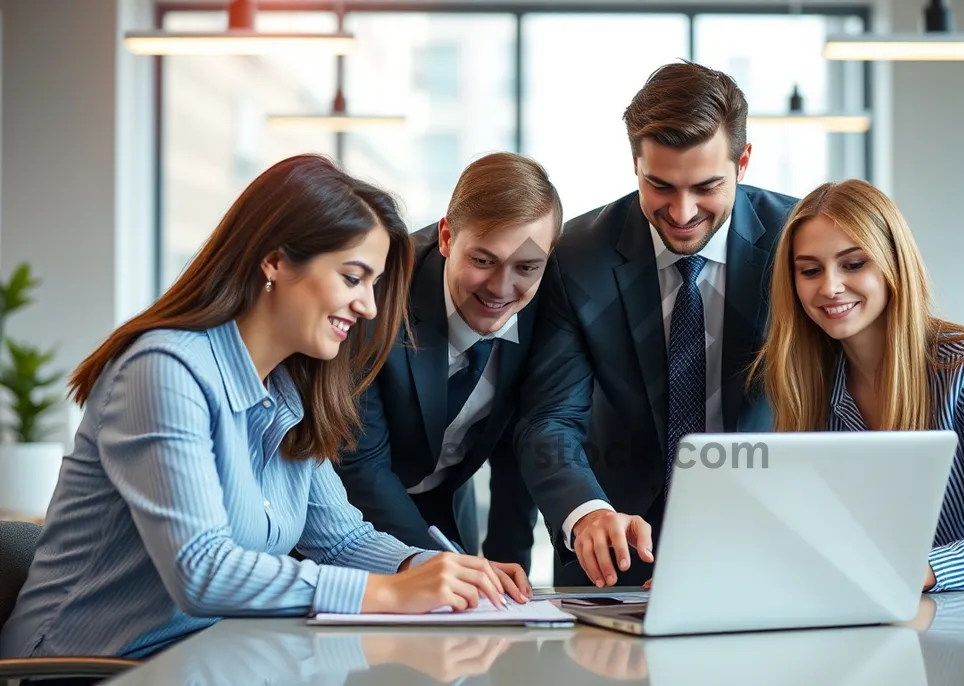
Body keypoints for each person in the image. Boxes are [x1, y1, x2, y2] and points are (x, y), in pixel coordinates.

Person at [0, 155, 532, 666]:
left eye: (372, 284)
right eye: (353, 278)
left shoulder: (288, 392)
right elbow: (201, 570)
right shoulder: (162, 370)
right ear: (275, 260)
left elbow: (341, 539)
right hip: (84, 667)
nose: (369, 307)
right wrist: (391, 592)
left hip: (205, 659)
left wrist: (431, 567)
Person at [513, 61, 799, 588]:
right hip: (616, 554)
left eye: (707, 186)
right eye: (660, 185)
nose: (683, 211)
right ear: (635, 165)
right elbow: (550, 419)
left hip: (767, 544)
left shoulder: (798, 243)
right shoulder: (579, 256)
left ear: (744, 162)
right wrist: (586, 513)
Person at [749, 178, 964, 613]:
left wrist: (898, 573)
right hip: (915, 613)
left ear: (894, 264)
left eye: (853, 264)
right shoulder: (814, 385)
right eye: (810, 270)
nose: (830, 287)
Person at [336, 152, 558, 572]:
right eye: (482, 260)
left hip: (446, 516)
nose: (501, 288)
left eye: (526, 266)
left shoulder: (547, 305)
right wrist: (441, 568)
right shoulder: (378, 294)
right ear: (446, 238)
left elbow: (516, 458)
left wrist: (510, 583)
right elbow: (361, 466)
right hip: (350, 523)